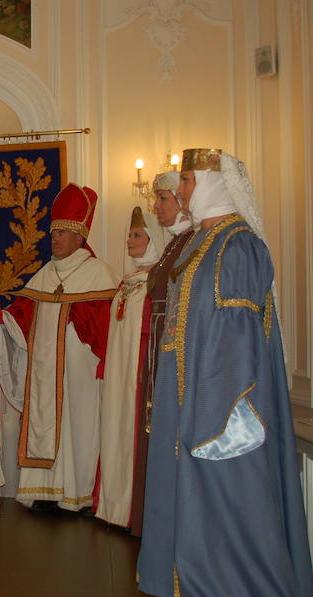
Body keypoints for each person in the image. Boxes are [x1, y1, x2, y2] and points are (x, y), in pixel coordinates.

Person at [137, 149, 312, 596]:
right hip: (189, 394)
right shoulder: (203, 242)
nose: (181, 191)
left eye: (189, 181)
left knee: (228, 502)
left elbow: (237, 339)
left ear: (216, 184)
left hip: (222, 408)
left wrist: (217, 412)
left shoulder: (238, 245)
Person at [0, 183, 117, 512]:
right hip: (44, 373)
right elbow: (24, 316)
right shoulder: (46, 273)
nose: (56, 239)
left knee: (76, 429)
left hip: (79, 375)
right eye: (54, 234)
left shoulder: (98, 273)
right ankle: (43, 492)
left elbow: (104, 329)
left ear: (80, 237)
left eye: (62, 233)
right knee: (43, 424)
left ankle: (74, 495)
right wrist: (2, 317)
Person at [129, 170, 194, 536]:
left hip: (172, 353)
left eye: (163, 199)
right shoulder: (175, 243)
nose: (156, 207)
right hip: (159, 350)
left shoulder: (189, 242)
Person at [95, 207, 163, 528]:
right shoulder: (127, 283)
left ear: (154, 239)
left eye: (137, 235)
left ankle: (132, 510)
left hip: (139, 375)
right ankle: (113, 507)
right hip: (119, 375)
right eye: (130, 234)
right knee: (114, 429)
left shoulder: (157, 285)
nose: (129, 240)